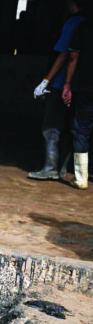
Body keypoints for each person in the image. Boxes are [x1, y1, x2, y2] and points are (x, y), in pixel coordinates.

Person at [29, 0, 86, 181]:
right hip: (83, 85)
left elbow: (65, 55)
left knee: (51, 126)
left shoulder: (73, 23)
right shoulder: (89, 24)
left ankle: (50, 167)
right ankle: (63, 169)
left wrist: (46, 80)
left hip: (63, 83)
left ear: (73, 4)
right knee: (74, 127)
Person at [62, 10, 93, 190]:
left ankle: (81, 178)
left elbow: (73, 57)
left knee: (81, 128)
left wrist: (67, 84)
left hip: (87, 88)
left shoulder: (84, 26)